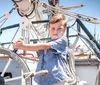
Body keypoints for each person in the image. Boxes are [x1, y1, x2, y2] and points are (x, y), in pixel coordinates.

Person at [13, 14, 69, 85]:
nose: (55, 31)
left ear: (64, 30)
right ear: (49, 29)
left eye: (59, 28)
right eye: (53, 28)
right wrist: (19, 52)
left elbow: (44, 46)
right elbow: (37, 54)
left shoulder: (62, 41)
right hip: (43, 81)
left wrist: (23, 46)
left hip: (58, 81)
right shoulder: (47, 44)